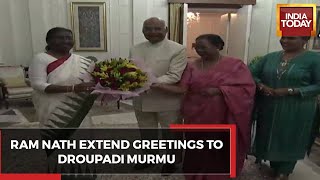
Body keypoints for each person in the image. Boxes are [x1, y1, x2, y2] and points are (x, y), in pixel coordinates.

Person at [152, 34, 256, 179]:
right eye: (197, 47)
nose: (199, 50)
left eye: (204, 47)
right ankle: (195, 171)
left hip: (222, 113)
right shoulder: (191, 65)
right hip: (195, 112)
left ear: (218, 46)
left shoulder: (235, 64)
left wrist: (220, 90)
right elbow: (182, 89)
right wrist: (157, 85)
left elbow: (247, 88)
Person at [249, 36, 320, 180]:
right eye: (283, 37)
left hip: (297, 107)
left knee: (290, 136)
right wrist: (261, 86)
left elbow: (318, 85)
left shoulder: (314, 59)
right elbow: (250, 74)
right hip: (268, 104)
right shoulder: (270, 57)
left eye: (291, 38)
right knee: (269, 134)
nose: (284, 41)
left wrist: (291, 91)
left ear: (304, 40)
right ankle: (275, 165)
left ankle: (285, 170)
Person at [129, 17, 187, 173]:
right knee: (146, 130)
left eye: (157, 29)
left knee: (171, 133)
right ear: (143, 31)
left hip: (167, 99)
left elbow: (174, 75)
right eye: (148, 29)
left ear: (165, 30)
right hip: (141, 98)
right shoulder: (135, 48)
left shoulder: (178, 49)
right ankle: (149, 156)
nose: (152, 32)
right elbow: (130, 70)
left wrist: (147, 82)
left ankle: (171, 161)